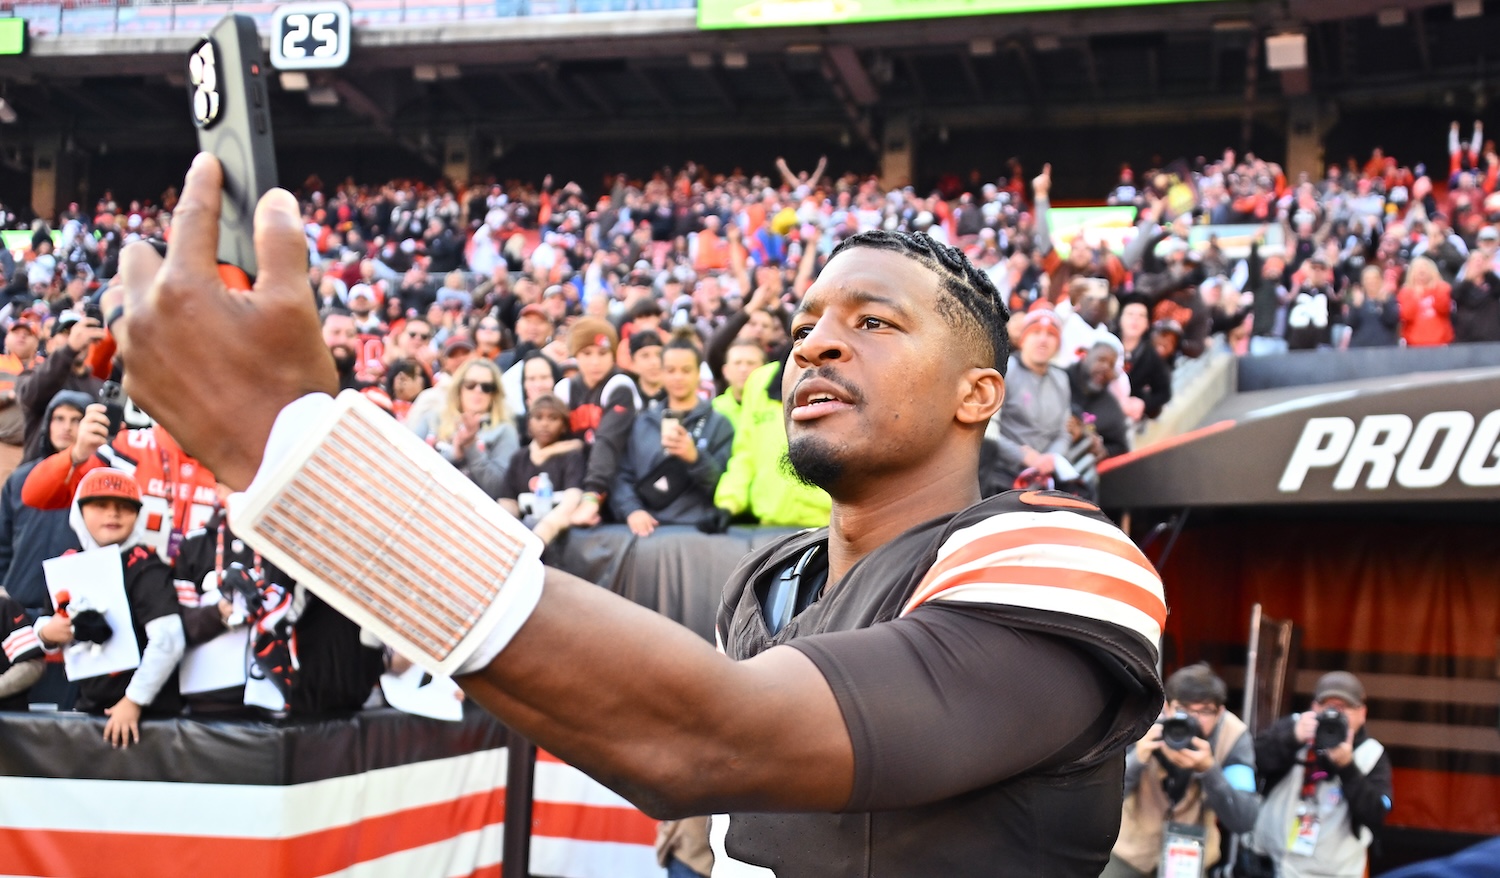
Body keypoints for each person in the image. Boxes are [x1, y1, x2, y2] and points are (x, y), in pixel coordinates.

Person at [109, 159, 1165, 875]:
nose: (815, 346)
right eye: (805, 324)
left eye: (873, 321)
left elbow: (704, 737)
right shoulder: (776, 583)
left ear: (981, 394)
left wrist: (307, 461)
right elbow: (663, 748)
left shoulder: (1062, 552)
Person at [32, 468, 185, 746]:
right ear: (80, 512)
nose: (112, 514)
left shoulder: (146, 568)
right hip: (90, 707)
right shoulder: (68, 566)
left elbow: (169, 637)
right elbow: (43, 624)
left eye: (124, 507)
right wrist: (47, 632)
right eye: (100, 505)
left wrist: (134, 700)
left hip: (150, 717)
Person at [1104, 663, 1260, 878]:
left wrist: (1210, 770)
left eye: (1205, 711)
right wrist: (1137, 759)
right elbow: (1102, 799)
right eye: (1184, 709)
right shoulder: (1142, 723)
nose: (1192, 720)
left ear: (1220, 712)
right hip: (1130, 854)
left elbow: (1244, 818)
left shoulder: (1233, 737)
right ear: (1166, 707)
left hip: (1189, 859)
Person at [1251, 671, 1392, 878]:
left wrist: (1347, 768)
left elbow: (1377, 813)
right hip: (1271, 866)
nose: (1334, 714)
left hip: (1332, 873)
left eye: (1343, 708)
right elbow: (1252, 760)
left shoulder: (1371, 753)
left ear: (1362, 714)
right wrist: (1292, 738)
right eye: (1327, 706)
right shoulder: (1295, 727)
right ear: (1314, 707)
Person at [611, 337, 734, 537]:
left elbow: (728, 488)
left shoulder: (720, 423)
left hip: (699, 531)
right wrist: (632, 510)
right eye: (670, 370)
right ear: (661, 373)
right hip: (649, 530)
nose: (678, 377)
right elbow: (621, 476)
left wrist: (696, 458)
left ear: (698, 374)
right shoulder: (643, 422)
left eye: (686, 370)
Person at [555, 317, 641, 527]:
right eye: (587, 353)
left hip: (619, 477)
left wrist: (592, 495)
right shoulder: (565, 389)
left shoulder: (620, 385)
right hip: (577, 479)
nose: (595, 361)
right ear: (575, 356)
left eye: (602, 353)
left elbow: (607, 441)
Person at [985, 309, 1075, 495]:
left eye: (1050, 335)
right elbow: (987, 430)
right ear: (1022, 339)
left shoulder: (1061, 379)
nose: (1043, 340)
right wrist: (1023, 456)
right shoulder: (1003, 373)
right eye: (1035, 332)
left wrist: (1049, 458)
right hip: (1003, 471)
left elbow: (1063, 433)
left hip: (1046, 473)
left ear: (1058, 344)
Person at [410, 358, 519, 499]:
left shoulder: (504, 430)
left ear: (494, 394)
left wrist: (471, 447)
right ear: (459, 388)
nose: (478, 391)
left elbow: (499, 489)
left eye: (486, 387)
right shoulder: (433, 419)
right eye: (470, 385)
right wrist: (454, 454)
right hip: (426, 500)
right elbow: (410, 466)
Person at [497, 394, 585, 548]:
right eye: (538, 417)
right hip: (523, 534)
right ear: (529, 422)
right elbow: (508, 502)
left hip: (557, 536)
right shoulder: (519, 458)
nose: (545, 424)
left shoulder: (572, 456)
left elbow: (571, 501)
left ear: (564, 425)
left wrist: (541, 536)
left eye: (553, 418)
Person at [1397, 256, 1454, 347]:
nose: (1421, 270)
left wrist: (1436, 287)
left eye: (1425, 267)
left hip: (1441, 342)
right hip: (1414, 344)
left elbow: (1444, 308)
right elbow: (1406, 316)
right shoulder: (1405, 292)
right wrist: (1415, 296)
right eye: (1418, 268)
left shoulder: (1443, 288)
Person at [712, 337, 766, 433]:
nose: (743, 369)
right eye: (737, 363)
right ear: (725, 371)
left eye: (750, 363)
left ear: (765, 368)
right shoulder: (714, 410)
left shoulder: (777, 406)